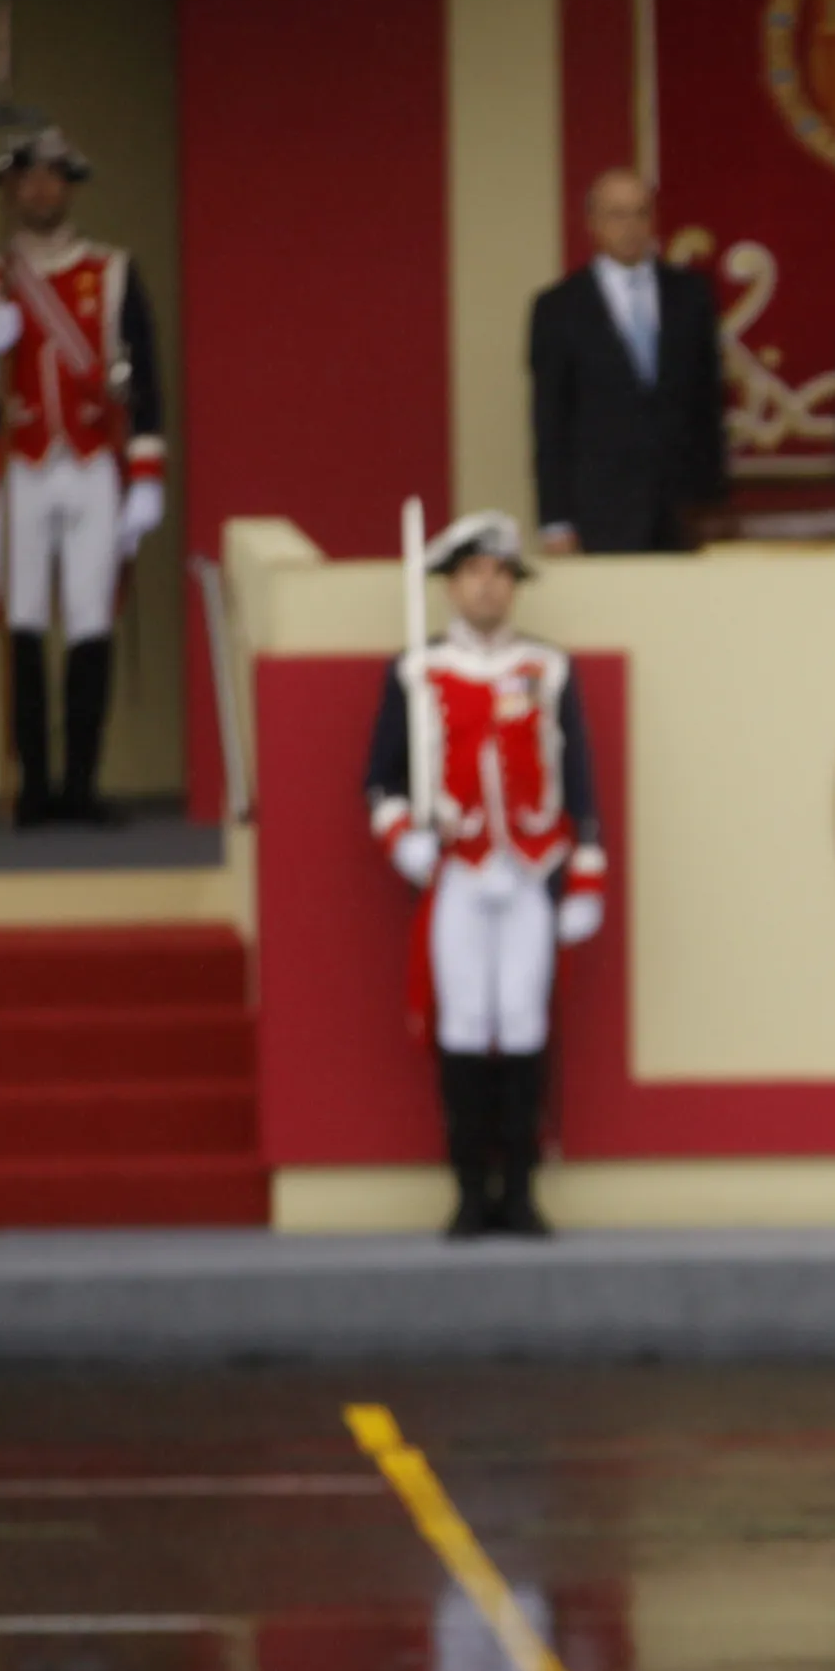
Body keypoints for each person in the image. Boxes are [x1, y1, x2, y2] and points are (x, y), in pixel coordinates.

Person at [363, 512, 609, 1240]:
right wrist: (402, 840)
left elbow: (579, 777)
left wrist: (587, 873)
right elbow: (380, 780)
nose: (489, 587)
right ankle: (471, 1193)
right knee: (466, 1023)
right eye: (475, 573)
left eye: (501, 574)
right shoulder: (416, 671)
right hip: (457, 874)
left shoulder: (547, 669)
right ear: (451, 584)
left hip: (532, 870)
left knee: (526, 1020)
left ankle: (522, 1192)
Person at [0, 126, 167, 828]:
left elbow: (144, 381)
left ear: (69, 186)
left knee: (92, 620)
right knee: (24, 622)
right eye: (28, 178)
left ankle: (81, 785)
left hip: (94, 465)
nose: (41, 189)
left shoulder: (112, 271)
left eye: (53, 176)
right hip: (17, 467)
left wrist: (147, 475)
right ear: (9, 189)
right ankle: (32, 785)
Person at [527, 169, 731, 555]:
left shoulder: (691, 295)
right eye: (617, 214)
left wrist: (716, 505)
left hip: (686, 508)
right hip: (601, 510)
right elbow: (550, 422)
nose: (631, 227)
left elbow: (709, 406)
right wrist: (555, 520)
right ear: (592, 223)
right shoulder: (558, 308)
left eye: (641, 213)